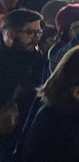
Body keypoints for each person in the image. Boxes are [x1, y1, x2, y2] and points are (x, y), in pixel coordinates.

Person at [0, 9, 45, 161]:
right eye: (29, 33)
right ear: (10, 34)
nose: (35, 38)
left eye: (38, 33)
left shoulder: (36, 58)